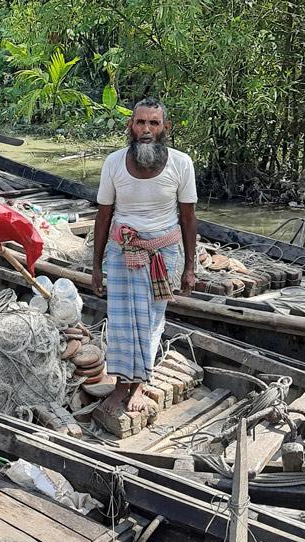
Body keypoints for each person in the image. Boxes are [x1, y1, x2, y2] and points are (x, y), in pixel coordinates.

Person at [91, 97, 197, 416]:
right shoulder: (113, 163)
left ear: (165, 127)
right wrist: (95, 267)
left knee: (151, 320)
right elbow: (103, 215)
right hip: (122, 251)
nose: (146, 129)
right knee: (122, 322)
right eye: (141, 122)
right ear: (131, 126)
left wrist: (190, 268)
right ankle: (121, 385)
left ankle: (138, 384)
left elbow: (189, 218)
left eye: (154, 123)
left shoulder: (181, 163)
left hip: (163, 252)